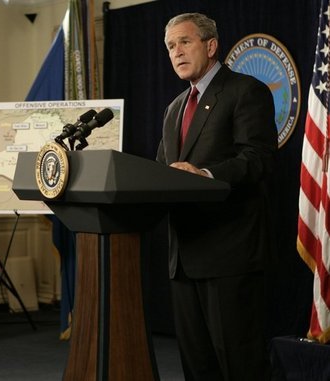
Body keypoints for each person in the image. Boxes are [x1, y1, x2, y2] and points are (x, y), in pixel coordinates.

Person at [156, 13, 277, 380]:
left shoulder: (245, 90)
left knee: (240, 365)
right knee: (197, 367)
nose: (177, 52)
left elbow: (257, 160)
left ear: (210, 45)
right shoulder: (174, 108)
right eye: (170, 46)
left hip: (229, 255)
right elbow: (161, 172)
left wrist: (205, 175)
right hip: (184, 258)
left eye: (185, 42)